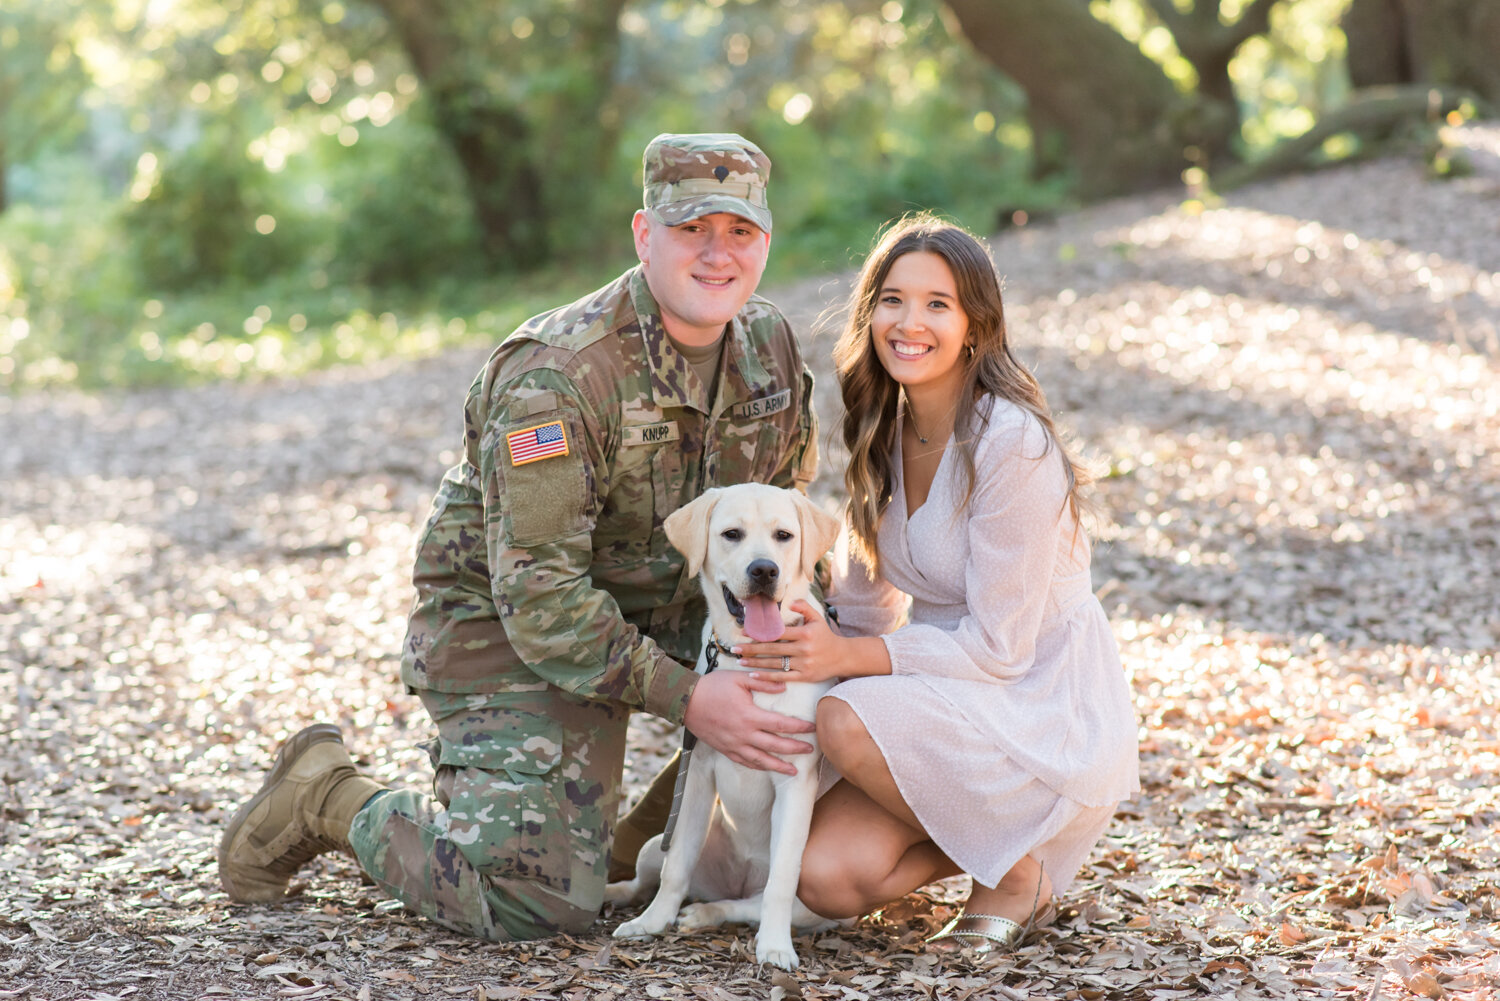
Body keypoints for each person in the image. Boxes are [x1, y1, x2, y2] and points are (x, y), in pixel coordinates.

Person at [217, 133, 824, 941]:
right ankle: (326, 792)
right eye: (691, 230)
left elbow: (780, 517)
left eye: (738, 231)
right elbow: (539, 594)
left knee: (819, 673)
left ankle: (617, 835)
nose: (718, 254)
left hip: (663, 602)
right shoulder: (561, 374)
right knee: (536, 906)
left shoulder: (769, 346)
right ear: (646, 235)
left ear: (764, 242)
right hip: (510, 622)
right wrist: (691, 697)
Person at [733, 214, 1140, 952]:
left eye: (937, 304)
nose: (908, 321)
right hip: (950, 700)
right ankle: (1016, 853)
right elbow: (861, 610)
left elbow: (1000, 648)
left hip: (1037, 701)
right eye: (891, 299)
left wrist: (844, 663)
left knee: (847, 717)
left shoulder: (1010, 441)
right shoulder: (882, 431)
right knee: (822, 877)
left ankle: (1015, 870)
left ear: (976, 326)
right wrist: (791, 649)